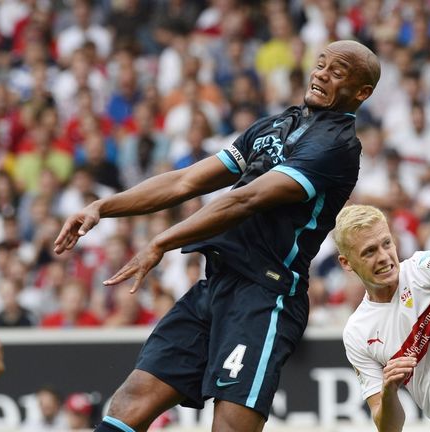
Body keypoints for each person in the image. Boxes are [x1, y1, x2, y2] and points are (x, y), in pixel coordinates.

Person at [53, 40, 380, 432]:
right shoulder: (274, 125)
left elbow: (245, 200)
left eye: (337, 72)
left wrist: (161, 242)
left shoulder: (336, 147)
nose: (321, 74)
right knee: (130, 400)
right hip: (215, 286)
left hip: (265, 296)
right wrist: (103, 207)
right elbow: (185, 181)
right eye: (321, 64)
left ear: (362, 92)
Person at [338, 205, 430, 432]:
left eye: (386, 243)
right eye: (369, 251)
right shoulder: (357, 331)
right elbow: (389, 428)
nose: (383, 257)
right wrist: (389, 390)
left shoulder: (418, 269)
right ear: (346, 263)